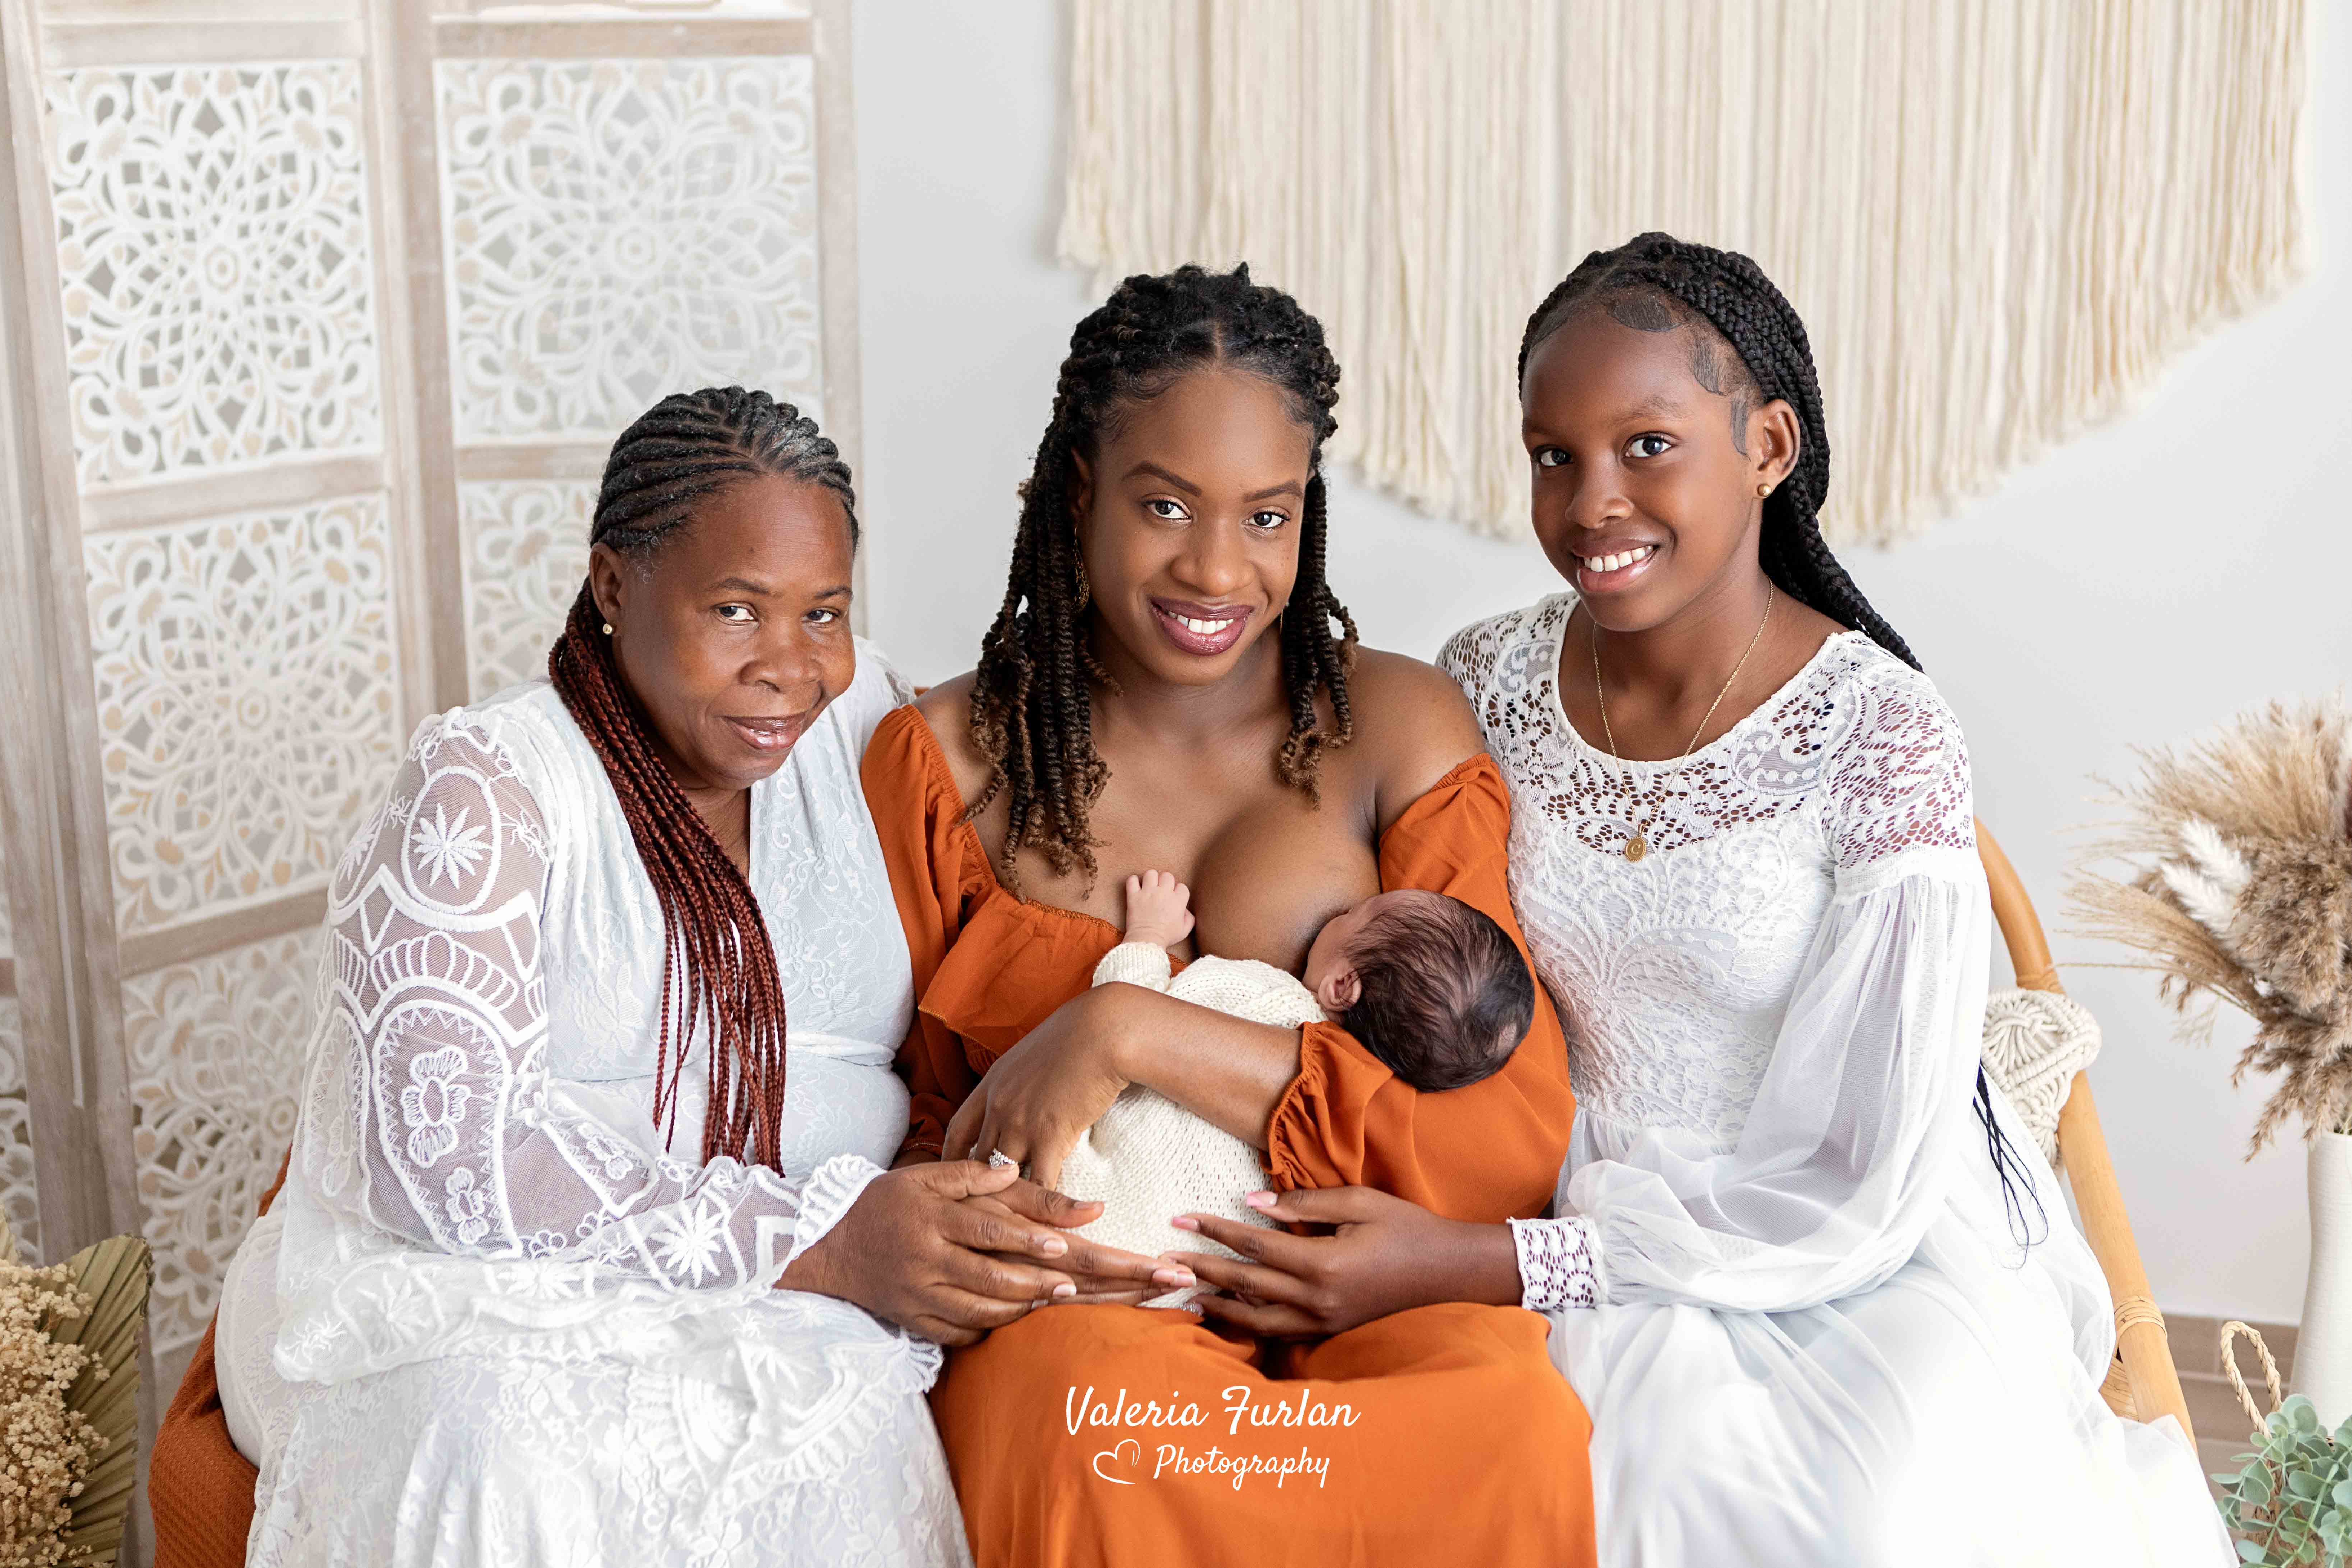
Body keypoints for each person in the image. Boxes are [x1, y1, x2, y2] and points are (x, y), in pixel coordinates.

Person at [1163, 235, 2233, 1565]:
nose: (1591, 501)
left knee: (1845, 1517)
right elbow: (1399, 969)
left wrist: (1486, 1259)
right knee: (1467, 1477)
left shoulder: (1883, 733)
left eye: (1646, 445)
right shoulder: (1481, 680)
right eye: (1553, 456)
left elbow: (1858, 1183)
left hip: (1841, 1243)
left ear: (1770, 444)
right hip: (1530, 1179)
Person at [150, 388, 1171, 1568]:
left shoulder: (870, 732)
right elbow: (443, 1163)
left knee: (840, 1420)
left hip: (787, 1295)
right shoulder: (488, 790)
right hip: (458, 1295)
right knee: (500, 1444)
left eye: (823, 612)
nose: (789, 667)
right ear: (614, 584)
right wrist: (814, 1243)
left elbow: (1059, 804)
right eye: (735, 610)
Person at [862, 264, 1596, 1565]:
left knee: (1510, 1417)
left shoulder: (1397, 727)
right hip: (1089, 1302)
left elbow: (1501, 1117)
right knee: (1081, 1428)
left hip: (1346, 1287)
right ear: (1077, 493)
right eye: (1163, 506)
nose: (1216, 568)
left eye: (1267, 515)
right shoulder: (942, 762)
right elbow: (898, 1107)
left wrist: (1123, 1033)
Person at [1058, 870, 1538, 1299]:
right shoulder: (1328, 1141)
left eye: (1358, 912)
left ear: (1341, 986)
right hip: (1151, 1288)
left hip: (1080, 1201)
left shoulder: (1265, 995)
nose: (1345, 909)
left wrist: (1147, 935)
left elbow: (1128, 1011)